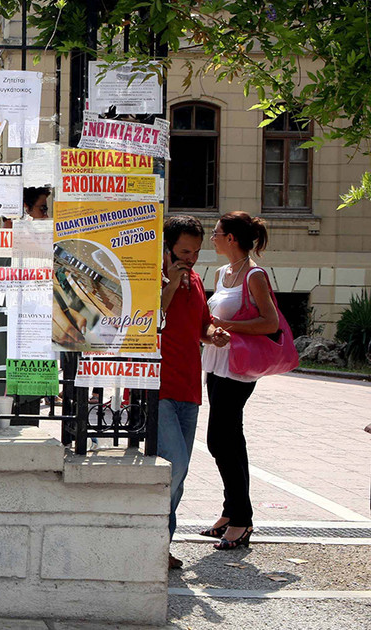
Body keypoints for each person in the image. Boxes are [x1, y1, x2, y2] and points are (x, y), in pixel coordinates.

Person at [199, 211, 276, 550]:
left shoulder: (254, 275)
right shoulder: (221, 273)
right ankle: (232, 512)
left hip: (240, 367)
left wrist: (226, 326)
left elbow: (270, 323)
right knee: (228, 439)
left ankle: (242, 519)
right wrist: (213, 329)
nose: (212, 238)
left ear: (230, 238)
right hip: (216, 362)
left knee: (220, 439)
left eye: (216, 233)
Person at [158, 215, 228, 569]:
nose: (191, 258)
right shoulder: (154, 277)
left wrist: (214, 334)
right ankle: (152, 539)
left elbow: (202, 325)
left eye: (196, 252)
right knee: (174, 465)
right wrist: (171, 281)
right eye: (185, 252)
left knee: (179, 475)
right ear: (168, 248)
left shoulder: (197, 280)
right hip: (158, 387)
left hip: (189, 387)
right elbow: (151, 317)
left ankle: (161, 545)